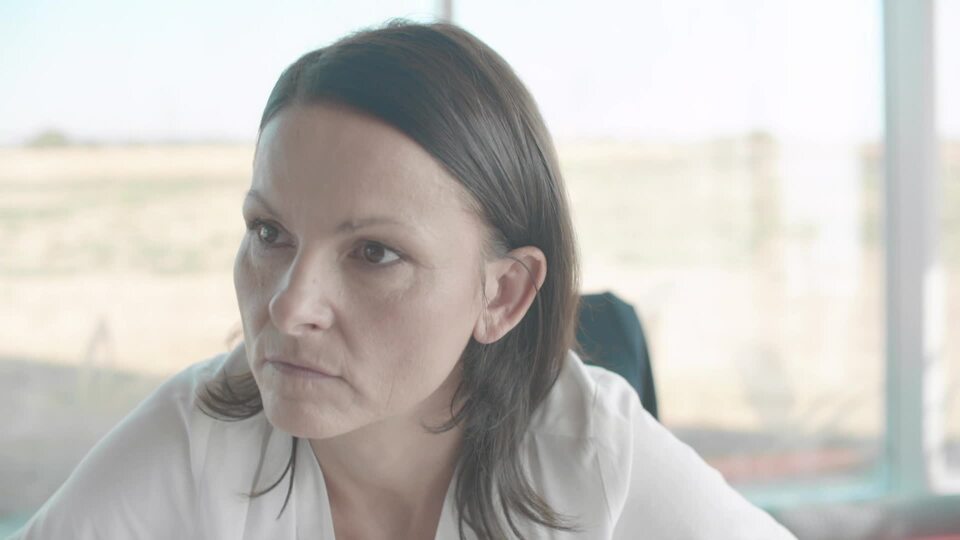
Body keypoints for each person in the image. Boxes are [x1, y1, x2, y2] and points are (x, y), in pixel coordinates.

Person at [13, 20, 796, 540]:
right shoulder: (197, 441)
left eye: (374, 254)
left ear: (502, 294)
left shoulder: (593, 453)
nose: (289, 304)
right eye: (269, 233)